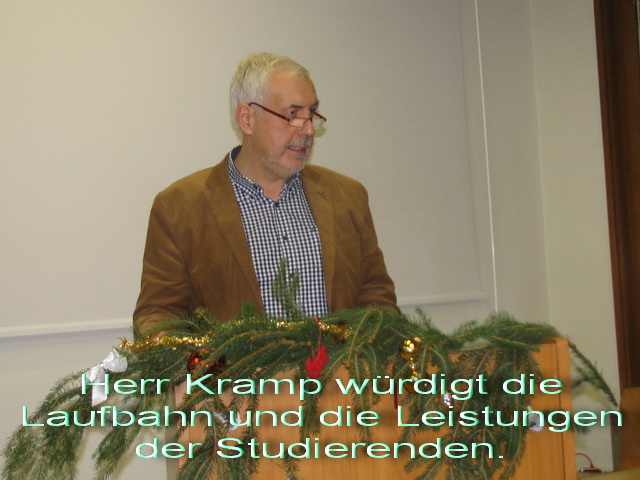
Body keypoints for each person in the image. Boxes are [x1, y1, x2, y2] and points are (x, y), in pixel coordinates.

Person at [133, 52, 396, 334]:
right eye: (292, 114)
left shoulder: (348, 196)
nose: (308, 129)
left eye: (311, 113)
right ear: (247, 118)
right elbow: (158, 314)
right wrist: (192, 360)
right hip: (230, 366)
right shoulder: (179, 207)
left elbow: (377, 299)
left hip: (337, 365)